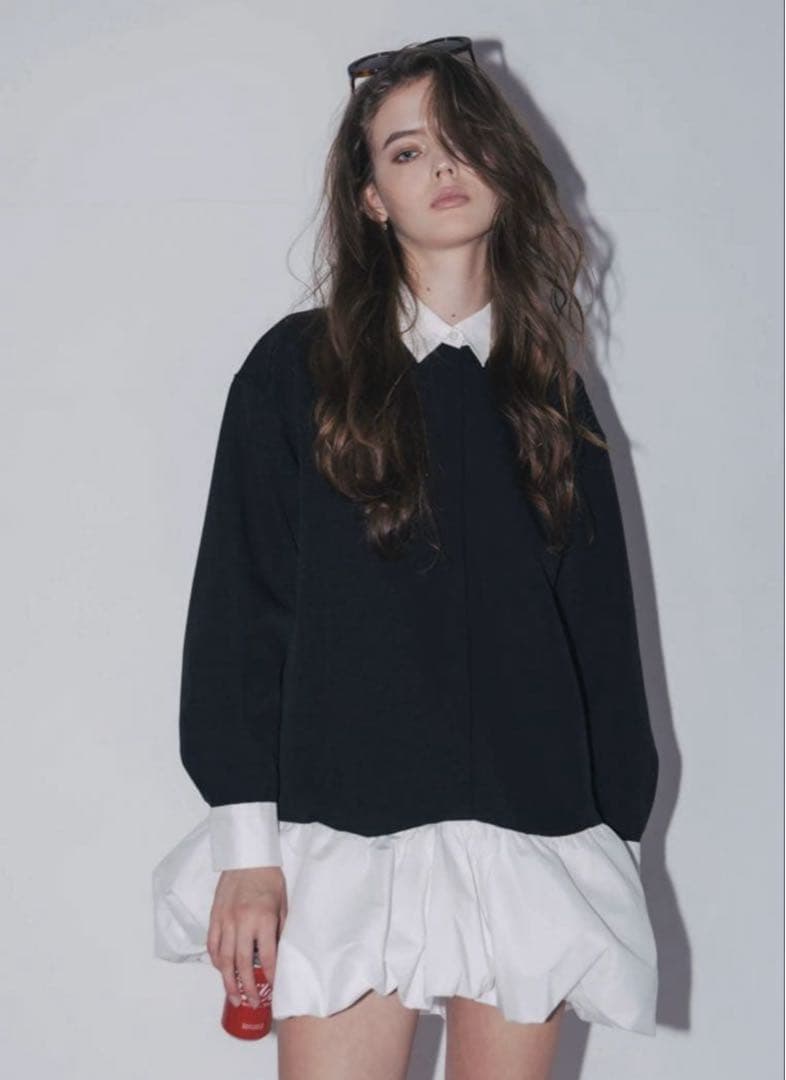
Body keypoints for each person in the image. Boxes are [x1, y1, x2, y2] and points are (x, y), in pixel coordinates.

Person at [157, 38, 660, 1080]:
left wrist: (614, 843)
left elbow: (600, 637)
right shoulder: (298, 371)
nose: (441, 167)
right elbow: (241, 609)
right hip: (346, 835)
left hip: (533, 836)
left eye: (461, 140)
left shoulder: (547, 390)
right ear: (371, 198)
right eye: (405, 151)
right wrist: (247, 854)